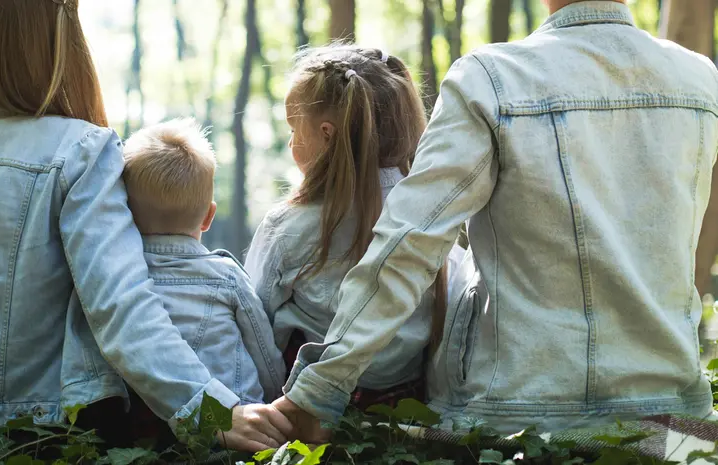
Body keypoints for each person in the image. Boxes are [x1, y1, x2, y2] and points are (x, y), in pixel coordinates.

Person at [274, 0, 718, 439]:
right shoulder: (701, 80)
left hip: (521, 420)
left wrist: (319, 389)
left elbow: (409, 244)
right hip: (676, 419)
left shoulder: (493, 80)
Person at [0, 0, 291, 452]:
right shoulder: (80, 150)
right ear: (60, 37)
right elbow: (121, 308)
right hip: (54, 437)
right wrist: (211, 412)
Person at [245, 45, 464, 410]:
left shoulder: (288, 226)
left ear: (327, 134)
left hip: (305, 412)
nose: (290, 142)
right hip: (406, 409)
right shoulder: (433, 218)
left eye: (293, 129)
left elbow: (255, 323)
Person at [122, 118, 285, 404]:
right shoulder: (226, 277)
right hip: (234, 424)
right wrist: (274, 398)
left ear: (124, 213)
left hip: (147, 429)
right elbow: (264, 354)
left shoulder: (118, 278)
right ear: (209, 217)